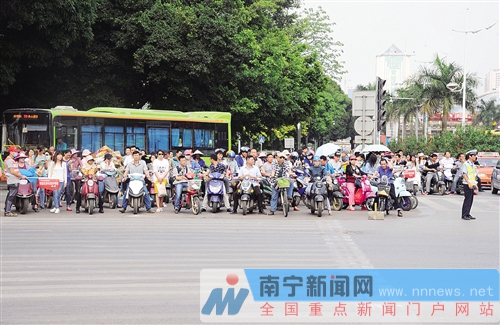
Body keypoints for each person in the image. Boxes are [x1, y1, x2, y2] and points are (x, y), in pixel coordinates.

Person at [3, 146, 25, 217]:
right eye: (15, 152)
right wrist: (21, 176)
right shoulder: (9, 160)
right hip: (13, 180)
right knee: (11, 196)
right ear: (11, 152)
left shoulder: (11, 160)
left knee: (10, 195)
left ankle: (7, 209)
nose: (16, 153)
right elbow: (12, 171)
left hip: (14, 179)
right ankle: (8, 211)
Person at [461, 150, 478, 220]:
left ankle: (468, 213)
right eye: (474, 156)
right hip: (467, 184)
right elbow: (464, 174)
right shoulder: (466, 164)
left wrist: (475, 184)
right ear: (470, 156)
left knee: (471, 200)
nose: (475, 157)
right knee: (467, 200)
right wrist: (468, 183)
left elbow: (473, 175)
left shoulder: (473, 165)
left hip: (472, 184)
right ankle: (464, 214)